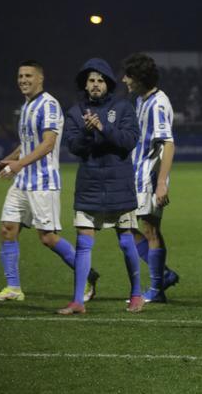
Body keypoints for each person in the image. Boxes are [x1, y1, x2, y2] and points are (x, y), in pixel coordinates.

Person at [0, 60, 98, 303]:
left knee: (47, 238)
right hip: (22, 181)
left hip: (43, 182)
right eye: (20, 75)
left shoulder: (49, 105)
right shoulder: (27, 106)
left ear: (40, 79)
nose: (23, 80)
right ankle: (13, 288)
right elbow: (26, 144)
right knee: (7, 229)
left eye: (28, 76)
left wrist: (18, 165)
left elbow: (47, 144)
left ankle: (88, 275)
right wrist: (2, 164)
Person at [60, 58, 143, 314]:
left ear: (107, 84)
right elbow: (74, 147)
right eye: (91, 81)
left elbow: (128, 141)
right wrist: (87, 132)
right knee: (84, 241)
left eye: (100, 80)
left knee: (126, 242)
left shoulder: (123, 107)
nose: (95, 85)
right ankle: (77, 301)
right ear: (85, 85)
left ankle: (136, 294)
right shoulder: (75, 112)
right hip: (90, 185)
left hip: (119, 184)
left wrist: (102, 127)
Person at [121, 53, 180, 303]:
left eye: (129, 76)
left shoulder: (157, 103)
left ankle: (156, 289)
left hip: (149, 177)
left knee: (149, 229)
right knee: (129, 227)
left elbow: (168, 143)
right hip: (136, 175)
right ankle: (162, 276)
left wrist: (161, 183)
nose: (124, 80)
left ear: (140, 78)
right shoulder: (142, 100)